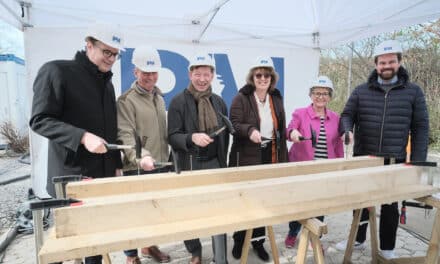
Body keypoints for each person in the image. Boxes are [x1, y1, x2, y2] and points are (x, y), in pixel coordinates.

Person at [29, 23, 125, 264]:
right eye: (107, 52)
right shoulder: (57, 71)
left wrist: (116, 164)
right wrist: (81, 136)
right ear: (89, 45)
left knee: (94, 244)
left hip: (100, 178)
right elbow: (39, 120)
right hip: (70, 177)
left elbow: (109, 131)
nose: (112, 59)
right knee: (64, 245)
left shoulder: (107, 83)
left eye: (116, 54)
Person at [336, 39, 429, 259]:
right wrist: (347, 130)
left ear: (399, 62)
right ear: (375, 64)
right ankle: (357, 239)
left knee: (390, 206)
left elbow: (421, 128)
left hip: (394, 158)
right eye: (382, 62)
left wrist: (417, 164)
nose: (386, 66)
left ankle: (387, 247)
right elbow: (346, 115)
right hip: (364, 157)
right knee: (361, 202)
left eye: (391, 62)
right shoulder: (361, 91)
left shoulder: (414, 92)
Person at [167, 54, 229, 264]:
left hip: (214, 164)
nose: (202, 79)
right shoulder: (178, 102)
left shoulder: (219, 102)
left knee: (219, 212)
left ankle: (220, 257)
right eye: (198, 74)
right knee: (188, 213)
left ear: (212, 75)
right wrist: (191, 137)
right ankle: (195, 251)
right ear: (190, 74)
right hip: (189, 165)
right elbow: (172, 136)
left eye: (206, 74)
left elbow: (225, 136)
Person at [228, 57, 288, 262]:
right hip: (246, 155)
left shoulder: (276, 98)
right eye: (258, 75)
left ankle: (258, 242)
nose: (263, 78)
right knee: (245, 200)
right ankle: (239, 239)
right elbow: (234, 124)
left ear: (272, 78)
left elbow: (281, 128)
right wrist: (250, 130)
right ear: (252, 77)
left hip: (270, 154)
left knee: (264, 201)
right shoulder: (241, 98)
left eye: (267, 75)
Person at [117, 46, 171, 264]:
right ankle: (131, 257)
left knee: (153, 210)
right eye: (145, 72)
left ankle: (149, 246)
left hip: (159, 163)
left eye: (154, 72)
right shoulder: (126, 100)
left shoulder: (158, 97)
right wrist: (142, 156)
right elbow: (125, 136)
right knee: (133, 213)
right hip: (138, 166)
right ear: (135, 72)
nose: (150, 77)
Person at [284, 76, 343, 249]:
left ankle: (313, 236)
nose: (320, 97)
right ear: (311, 95)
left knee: (320, 204)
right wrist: (293, 133)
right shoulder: (300, 113)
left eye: (325, 93)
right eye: (317, 93)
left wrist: (338, 168)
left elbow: (338, 144)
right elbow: (290, 130)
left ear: (330, 96)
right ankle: (293, 232)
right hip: (303, 168)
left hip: (324, 170)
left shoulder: (335, 118)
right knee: (299, 203)